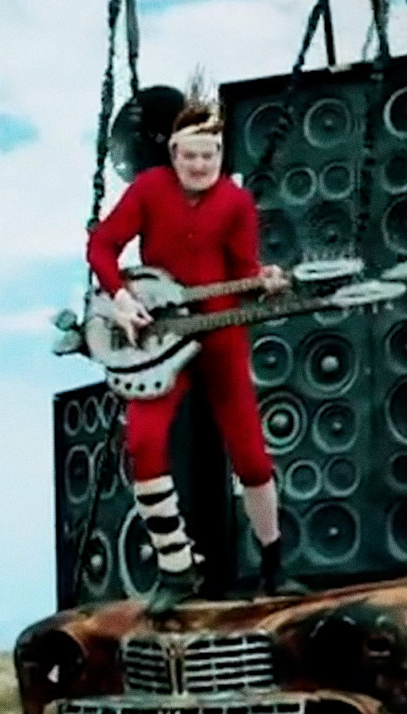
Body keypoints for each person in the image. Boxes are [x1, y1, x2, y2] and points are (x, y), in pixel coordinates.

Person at [86, 94, 306, 615]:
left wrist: (264, 281)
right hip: (159, 336)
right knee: (143, 442)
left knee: (250, 453)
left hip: (220, 334)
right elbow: (101, 246)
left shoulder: (236, 201)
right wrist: (121, 298)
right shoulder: (148, 189)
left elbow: (244, 269)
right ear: (173, 153)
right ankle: (176, 565)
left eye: (210, 155)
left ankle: (273, 564)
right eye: (191, 155)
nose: (201, 165)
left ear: (221, 154)